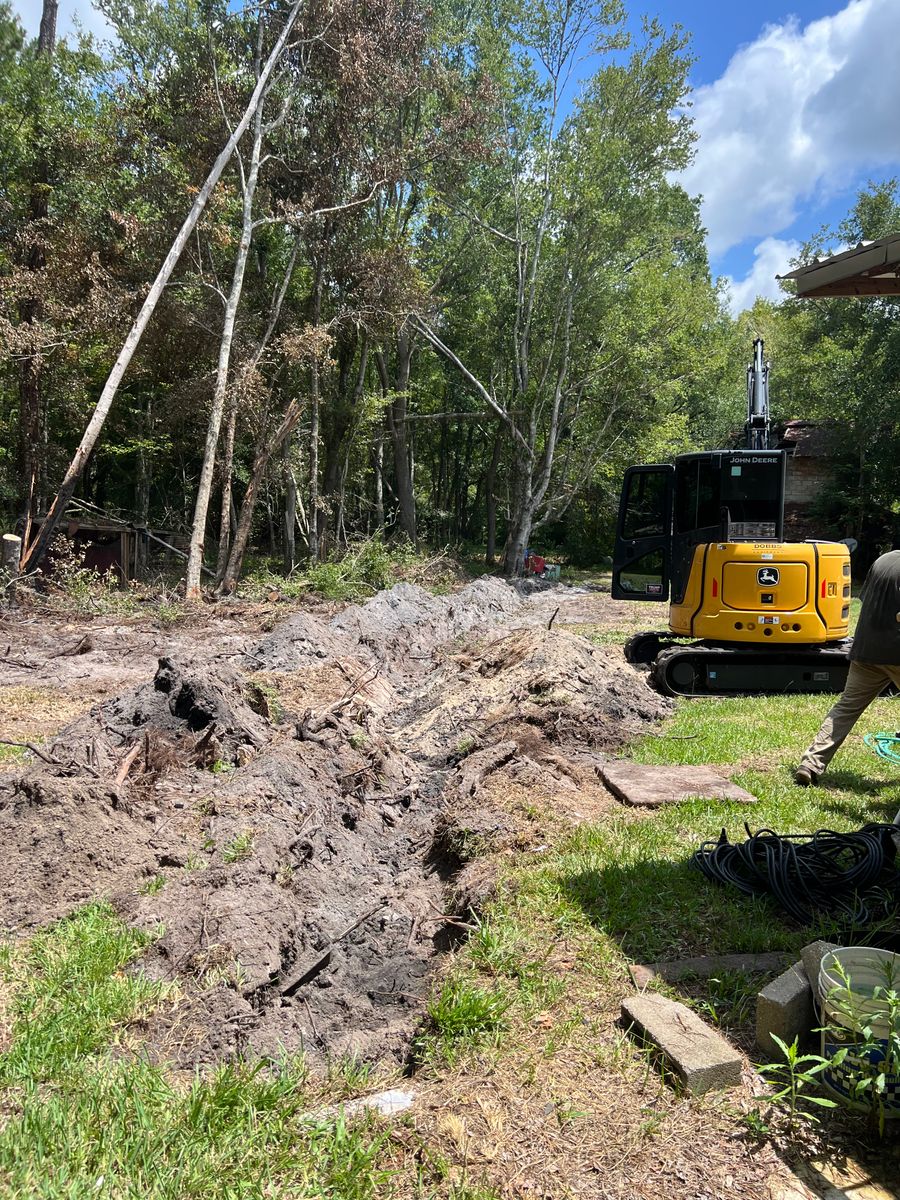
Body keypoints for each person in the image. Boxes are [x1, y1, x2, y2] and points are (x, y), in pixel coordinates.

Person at [795, 549, 900, 786]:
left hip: (866, 650)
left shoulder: (883, 560)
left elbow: (865, 601)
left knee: (846, 707)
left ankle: (811, 763)